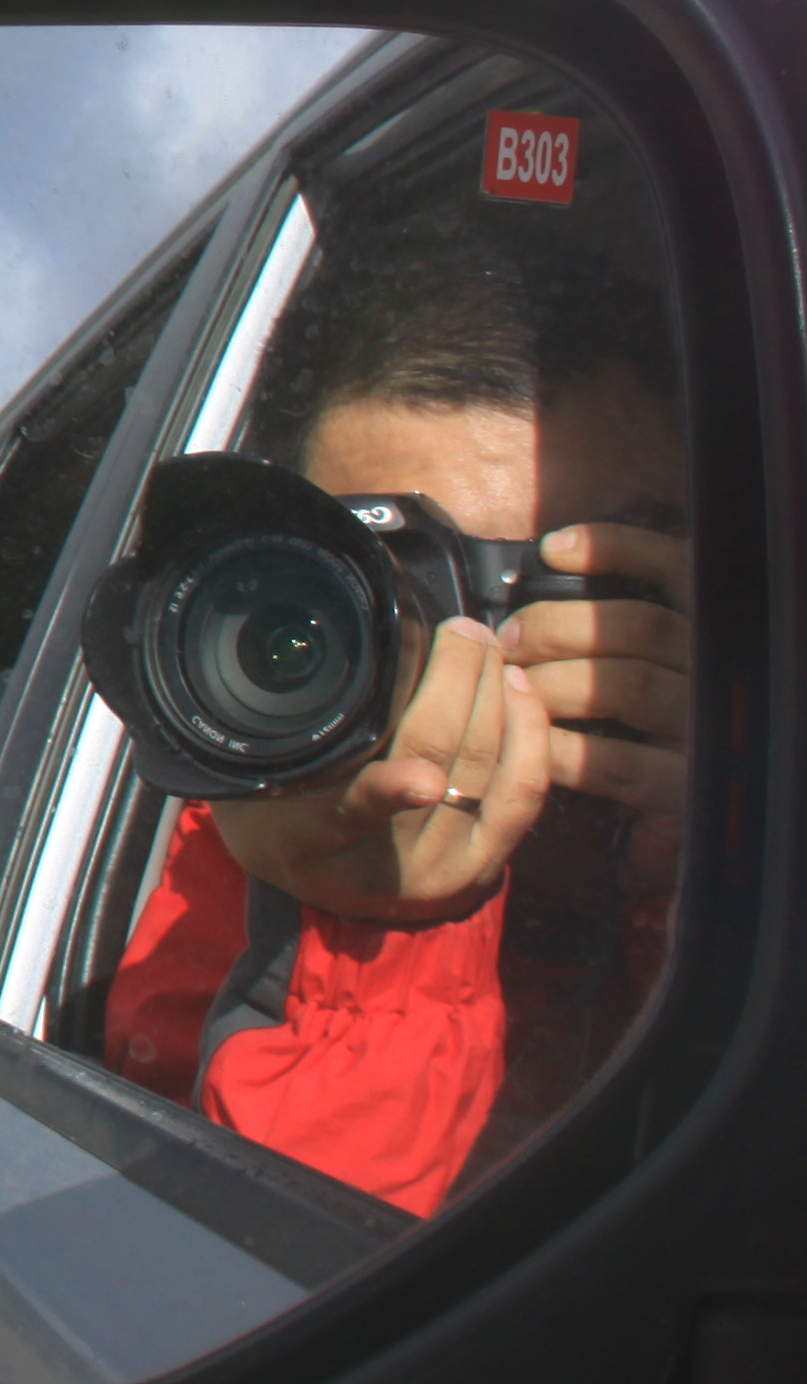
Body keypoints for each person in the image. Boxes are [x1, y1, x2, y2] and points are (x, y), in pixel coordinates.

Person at [97, 211, 694, 1216]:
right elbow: (251, 1295)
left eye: (585, 586)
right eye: (408, 594)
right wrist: (369, 923)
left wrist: (707, 883)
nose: (485, 658)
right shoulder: (239, 877)